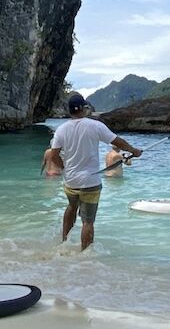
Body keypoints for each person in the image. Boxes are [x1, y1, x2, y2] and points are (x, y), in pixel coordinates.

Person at [43, 93, 143, 250]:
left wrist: (64, 168)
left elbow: (53, 155)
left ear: (69, 111)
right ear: (83, 108)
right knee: (88, 221)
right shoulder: (95, 126)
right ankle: (85, 254)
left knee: (71, 207)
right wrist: (133, 150)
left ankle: (64, 242)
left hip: (70, 182)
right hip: (90, 182)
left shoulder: (61, 130)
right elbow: (117, 141)